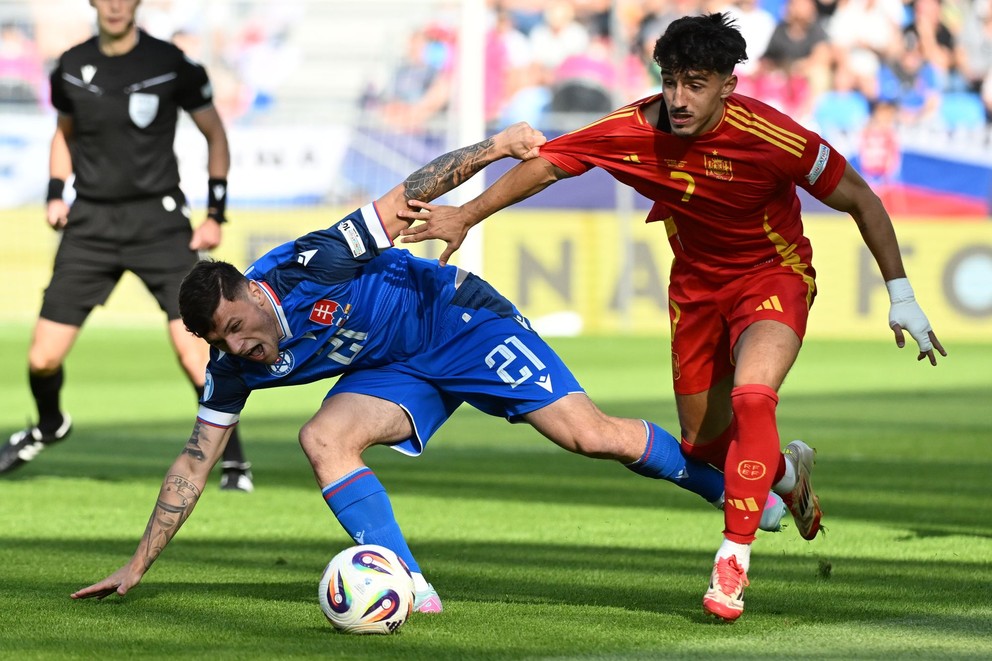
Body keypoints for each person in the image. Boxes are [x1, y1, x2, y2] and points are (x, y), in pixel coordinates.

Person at [69, 122, 794, 614]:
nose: (237, 348)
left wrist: (501, 144)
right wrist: (138, 563)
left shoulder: (307, 264)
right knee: (322, 438)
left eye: (235, 328)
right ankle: (407, 583)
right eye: (219, 342)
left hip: (458, 320)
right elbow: (195, 461)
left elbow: (412, 190)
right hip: (397, 366)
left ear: (251, 293)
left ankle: (750, 488)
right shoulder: (232, 367)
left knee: (590, 435)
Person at [397, 13, 946, 621]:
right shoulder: (629, 128)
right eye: (672, 81)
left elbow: (861, 199)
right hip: (695, 290)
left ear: (728, 86)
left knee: (754, 397)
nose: (679, 99)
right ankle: (787, 476)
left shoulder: (774, 136)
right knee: (704, 444)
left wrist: (900, 293)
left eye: (696, 83)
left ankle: (731, 565)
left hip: (773, 275)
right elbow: (550, 164)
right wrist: (467, 214)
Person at [0, 0, 252, 491]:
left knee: (193, 351)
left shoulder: (170, 63)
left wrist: (215, 213)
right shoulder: (70, 66)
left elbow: (214, 134)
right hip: (90, 224)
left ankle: (234, 463)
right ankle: (49, 425)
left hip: (159, 225)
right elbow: (63, 134)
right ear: (93, 2)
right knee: (42, 358)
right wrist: (56, 193)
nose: (115, 4)